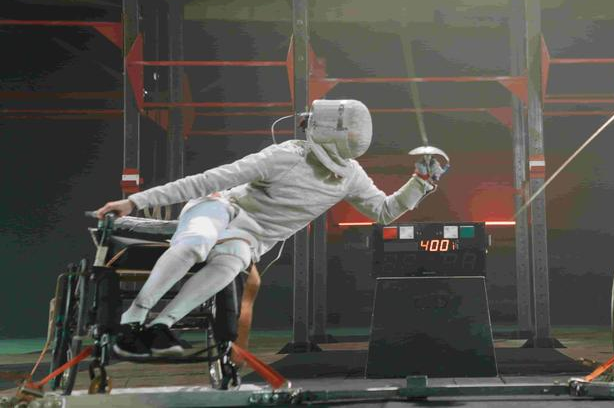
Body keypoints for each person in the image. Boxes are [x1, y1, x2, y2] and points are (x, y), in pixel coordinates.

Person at [95, 99, 448, 358]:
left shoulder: (350, 176)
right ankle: (133, 317)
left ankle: (162, 326)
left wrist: (420, 183)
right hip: (221, 208)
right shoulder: (286, 155)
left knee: (230, 262)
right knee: (196, 243)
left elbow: (383, 211)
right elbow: (208, 180)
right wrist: (135, 202)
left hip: (250, 236)